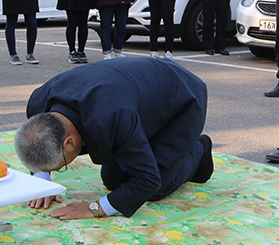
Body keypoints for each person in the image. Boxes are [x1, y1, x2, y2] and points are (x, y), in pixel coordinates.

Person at [15, 58, 213, 218]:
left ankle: (199, 150)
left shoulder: (111, 118)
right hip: (137, 98)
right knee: (113, 180)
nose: (54, 170)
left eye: (60, 166)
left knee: (157, 186)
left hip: (181, 98)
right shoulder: (39, 103)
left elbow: (148, 180)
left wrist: (94, 208)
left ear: (68, 142)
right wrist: (43, 183)